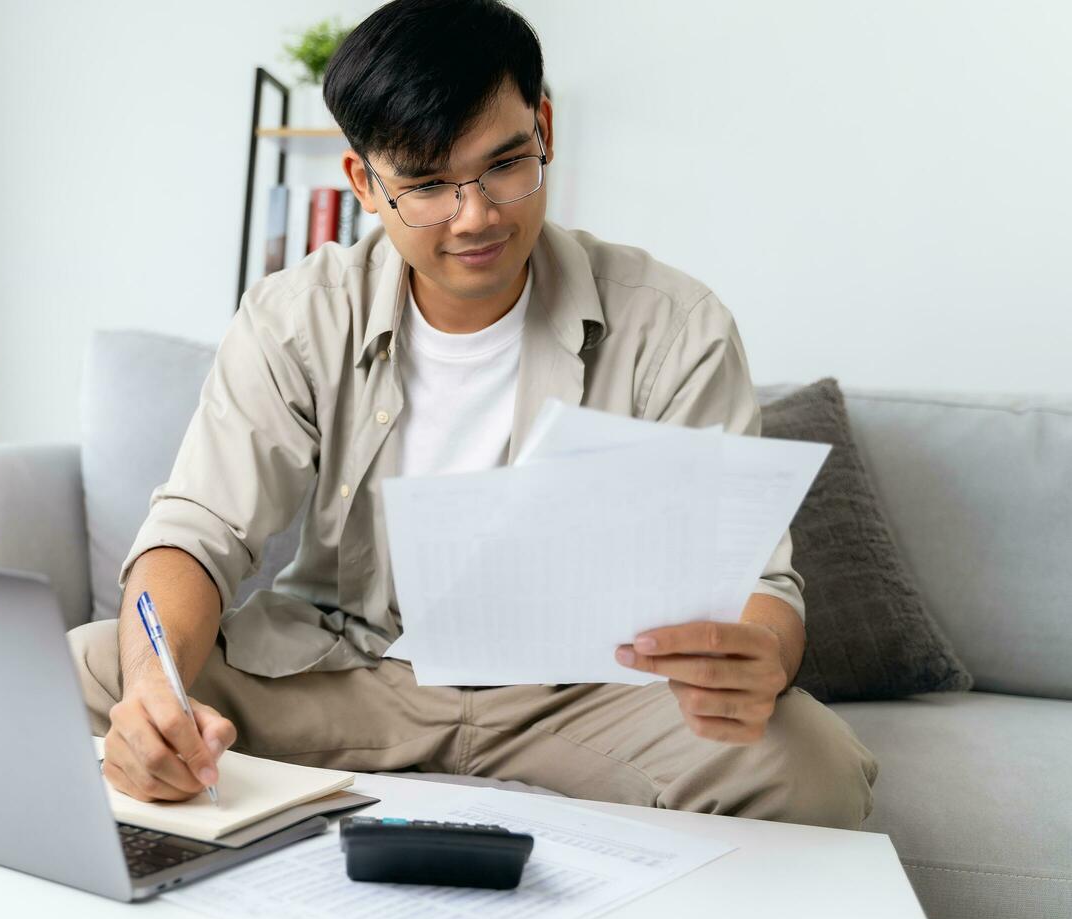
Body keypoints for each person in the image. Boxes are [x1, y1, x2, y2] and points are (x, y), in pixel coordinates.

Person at [68, 0, 877, 829]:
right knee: (88, 672)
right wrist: (154, 692)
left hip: (581, 694)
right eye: (425, 185)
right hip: (351, 674)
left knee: (809, 767)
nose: (477, 216)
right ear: (365, 185)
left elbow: (756, 583)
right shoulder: (294, 316)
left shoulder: (674, 323)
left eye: (503, 165)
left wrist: (759, 658)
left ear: (546, 129)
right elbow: (198, 530)